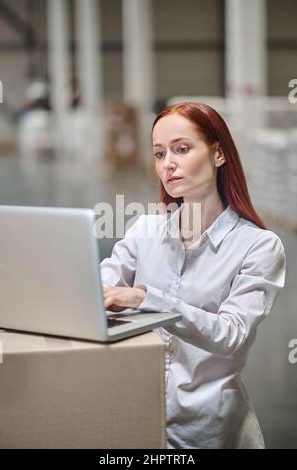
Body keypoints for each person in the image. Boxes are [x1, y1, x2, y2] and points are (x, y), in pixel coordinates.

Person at [100, 102, 286, 449]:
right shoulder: (145, 230)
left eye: (181, 149)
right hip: (139, 420)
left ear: (218, 154)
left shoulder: (258, 246)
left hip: (208, 431)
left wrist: (147, 299)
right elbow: (100, 286)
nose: (167, 163)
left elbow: (232, 334)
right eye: (159, 153)